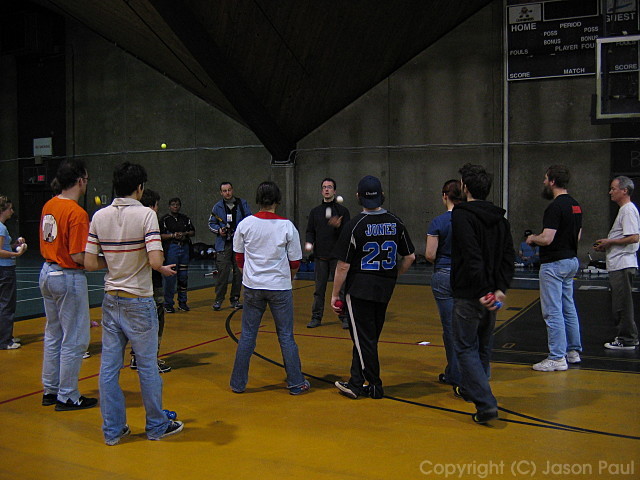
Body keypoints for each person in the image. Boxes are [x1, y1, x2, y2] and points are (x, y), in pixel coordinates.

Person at [85, 162, 183, 445]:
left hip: (111, 300)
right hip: (138, 301)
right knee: (147, 367)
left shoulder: (99, 216)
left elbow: (90, 262)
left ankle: (113, 430)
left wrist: (117, 261)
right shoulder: (146, 215)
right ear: (139, 188)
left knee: (108, 369)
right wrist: (140, 261)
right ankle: (156, 426)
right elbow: (155, 260)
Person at [331, 175, 415, 400]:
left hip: (360, 288)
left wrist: (335, 294)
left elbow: (343, 265)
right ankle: (355, 382)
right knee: (367, 337)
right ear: (382, 196)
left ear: (358, 197)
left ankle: (374, 385)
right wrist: (394, 274)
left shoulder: (355, 225)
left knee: (364, 338)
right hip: (384, 288)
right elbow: (410, 256)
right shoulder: (395, 222)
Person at [230, 181, 310, 395]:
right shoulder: (287, 226)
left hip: (253, 287)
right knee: (286, 336)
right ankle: (296, 383)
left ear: (258, 200)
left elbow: (239, 258)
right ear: (278, 200)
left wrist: (249, 276)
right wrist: (287, 279)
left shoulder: (245, 225)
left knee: (247, 336)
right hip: (279, 288)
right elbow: (295, 262)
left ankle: (238, 384)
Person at [451, 163, 514, 424]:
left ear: (465, 187)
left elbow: (471, 253)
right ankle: (471, 389)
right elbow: (508, 258)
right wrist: (499, 289)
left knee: (465, 347)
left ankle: (486, 403)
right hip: (491, 295)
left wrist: (481, 291)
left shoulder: (461, 216)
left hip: (471, 293)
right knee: (482, 345)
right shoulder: (501, 220)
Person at [39, 160, 97, 410]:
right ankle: (68, 395)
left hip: (47, 272)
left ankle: (50, 389)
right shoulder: (77, 213)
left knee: (54, 334)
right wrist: (103, 262)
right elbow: (78, 255)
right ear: (80, 180)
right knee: (75, 338)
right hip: (67, 276)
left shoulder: (50, 204)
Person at [526, 165, 583, 371]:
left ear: (552, 181)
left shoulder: (555, 207)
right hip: (571, 261)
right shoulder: (576, 206)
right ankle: (573, 351)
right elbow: (577, 236)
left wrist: (533, 238)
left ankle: (557, 357)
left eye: (545, 178)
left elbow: (547, 238)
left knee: (552, 311)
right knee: (568, 307)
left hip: (554, 264)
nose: (543, 182)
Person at [425, 179, 464, 387]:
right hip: (465, 275)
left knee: (450, 328)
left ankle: (454, 373)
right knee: (467, 326)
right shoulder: (469, 220)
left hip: (444, 274)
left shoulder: (438, 222)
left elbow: (430, 254)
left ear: (444, 196)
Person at [594, 176, 640, 350]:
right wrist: (608, 245)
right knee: (621, 303)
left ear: (624, 191)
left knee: (622, 304)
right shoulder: (624, 210)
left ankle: (627, 338)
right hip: (619, 263)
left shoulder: (628, 210)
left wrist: (610, 242)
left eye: (613, 189)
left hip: (622, 264)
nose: (610, 192)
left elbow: (633, 237)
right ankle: (627, 336)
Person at [130, 189, 172, 373]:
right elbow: (154, 259)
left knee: (138, 322)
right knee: (154, 320)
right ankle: (149, 360)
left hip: (132, 283)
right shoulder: (150, 222)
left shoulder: (130, 222)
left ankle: (137, 357)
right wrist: (161, 267)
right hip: (149, 283)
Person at [305, 178, 351, 329]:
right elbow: (310, 231)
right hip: (320, 257)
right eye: (324, 187)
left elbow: (348, 233)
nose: (327, 189)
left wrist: (339, 226)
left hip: (337, 258)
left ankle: (344, 317)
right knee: (319, 290)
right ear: (321, 191)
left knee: (341, 289)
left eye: (330, 187)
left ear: (334, 191)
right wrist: (309, 242)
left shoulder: (343, 212)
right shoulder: (315, 212)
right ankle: (316, 317)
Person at [208, 182, 251, 311]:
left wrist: (240, 231)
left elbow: (249, 220)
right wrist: (219, 230)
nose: (227, 193)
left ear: (232, 190)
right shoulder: (217, 207)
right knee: (223, 273)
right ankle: (218, 300)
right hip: (223, 244)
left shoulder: (242, 204)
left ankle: (235, 299)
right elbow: (211, 223)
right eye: (224, 191)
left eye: (229, 190)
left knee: (238, 273)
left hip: (239, 244)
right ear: (221, 193)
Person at [0, 196, 27, 350]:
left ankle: (5, 336)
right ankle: (5, 340)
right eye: (10, 208)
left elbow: (4, 246)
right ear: (3, 210)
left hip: (3, 269)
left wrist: (14, 245)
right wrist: (16, 254)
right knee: (7, 304)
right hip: (5, 270)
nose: (12, 211)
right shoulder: (1, 228)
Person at [159, 197, 195, 313]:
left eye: (177, 204)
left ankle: (182, 302)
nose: (175, 206)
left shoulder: (185, 218)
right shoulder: (164, 220)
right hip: (172, 249)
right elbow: (160, 235)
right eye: (173, 204)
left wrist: (184, 234)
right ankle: (168, 303)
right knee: (170, 277)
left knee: (183, 277)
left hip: (184, 248)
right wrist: (173, 235)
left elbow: (192, 231)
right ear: (169, 206)